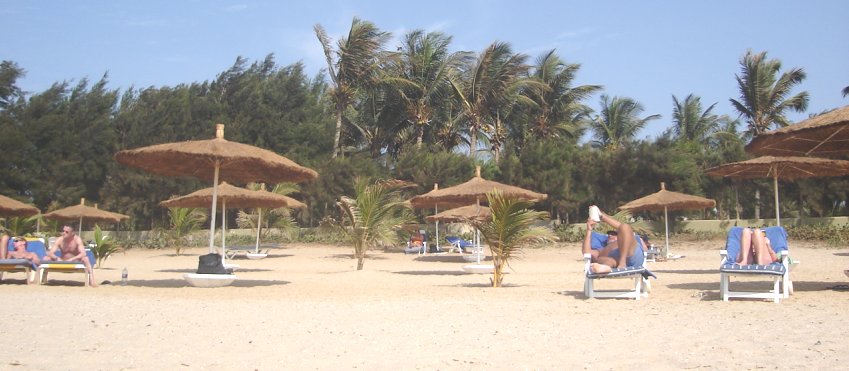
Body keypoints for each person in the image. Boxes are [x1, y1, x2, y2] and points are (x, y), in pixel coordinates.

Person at [581, 206, 646, 274]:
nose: (610, 235)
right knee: (601, 259)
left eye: (614, 234)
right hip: (614, 263)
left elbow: (623, 228)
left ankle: (622, 261)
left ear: (620, 236)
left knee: (625, 227)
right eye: (609, 234)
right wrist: (589, 229)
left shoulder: (627, 239)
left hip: (631, 254)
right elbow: (587, 252)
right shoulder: (601, 250)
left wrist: (602, 216)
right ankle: (605, 268)